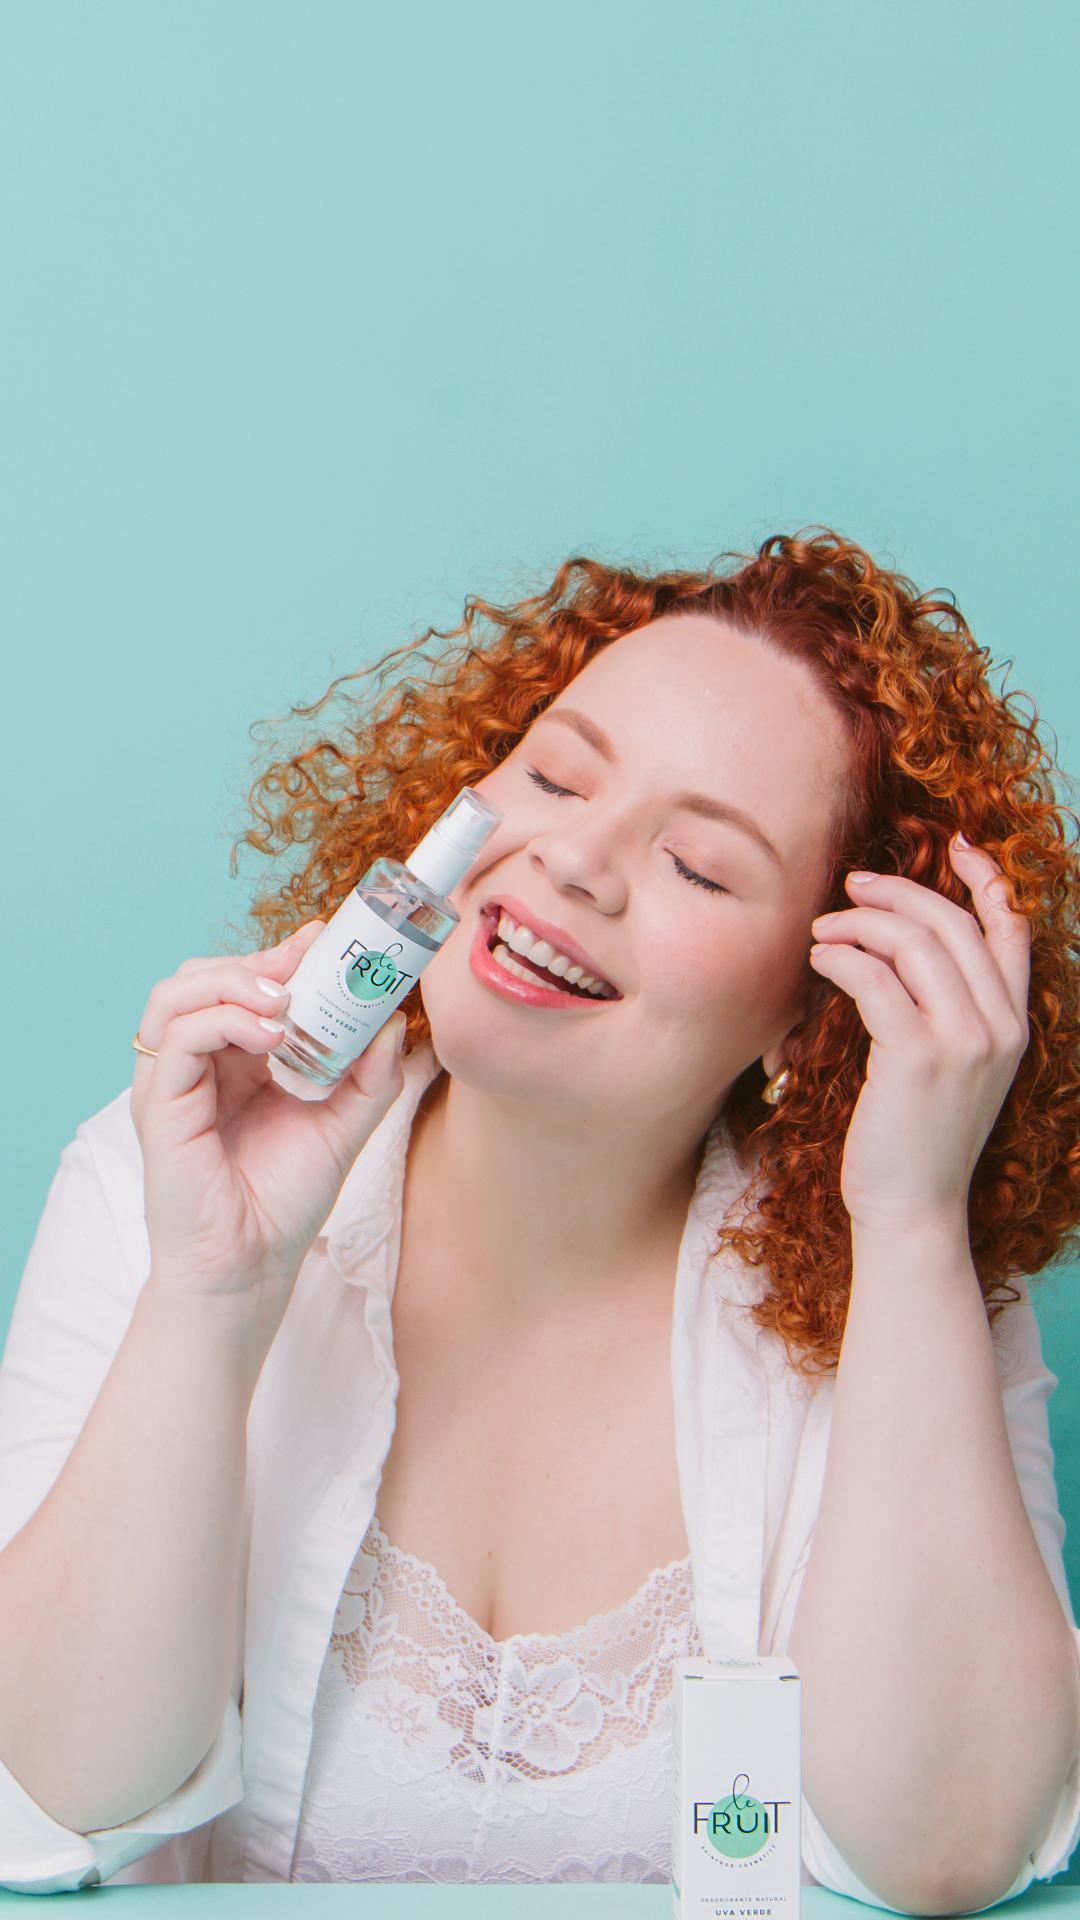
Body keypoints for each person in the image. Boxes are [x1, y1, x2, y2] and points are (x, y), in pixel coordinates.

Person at [1, 526, 1079, 1903]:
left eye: (700, 865)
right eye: (557, 776)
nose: (574, 861)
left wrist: (916, 1224)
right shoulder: (160, 1172)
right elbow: (46, 1800)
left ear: (810, 1021)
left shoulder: (901, 1283)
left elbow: (952, 1847)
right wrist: (212, 1302)